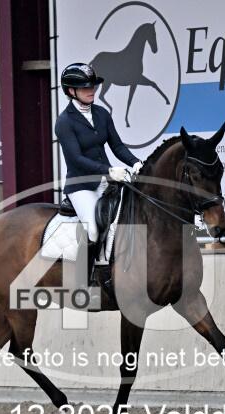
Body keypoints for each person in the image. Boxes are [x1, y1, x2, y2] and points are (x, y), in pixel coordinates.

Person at [54, 62, 143, 292]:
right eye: (85, 87)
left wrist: (135, 162)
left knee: (127, 217)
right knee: (93, 229)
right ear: (71, 91)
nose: (91, 90)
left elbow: (117, 146)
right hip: (81, 186)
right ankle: (84, 281)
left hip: (107, 181)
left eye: (92, 86)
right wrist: (108, 171)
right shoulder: (64, 123)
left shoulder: (102, 113)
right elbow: (76, 159)